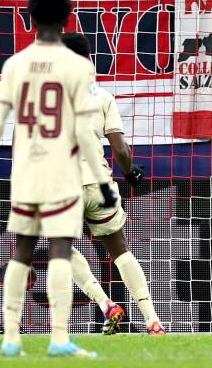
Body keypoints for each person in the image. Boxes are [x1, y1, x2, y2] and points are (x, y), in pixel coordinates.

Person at [0, 0, 117, 358]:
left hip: (26, 169)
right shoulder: (78, 67)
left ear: (30, 18)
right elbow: (84, 131)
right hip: (62, 169)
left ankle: (10, 338)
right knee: (60, 249)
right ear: (67, 19)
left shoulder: (15, 64)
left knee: (21, 249)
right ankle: (58, 338)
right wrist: (102, 182)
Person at [61, 33, 165, 335]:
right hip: (100, 185)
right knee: (120, 249)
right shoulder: (103, 97)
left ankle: (106, 304)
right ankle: (151, 319)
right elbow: (120, 150)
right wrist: (131, 173)